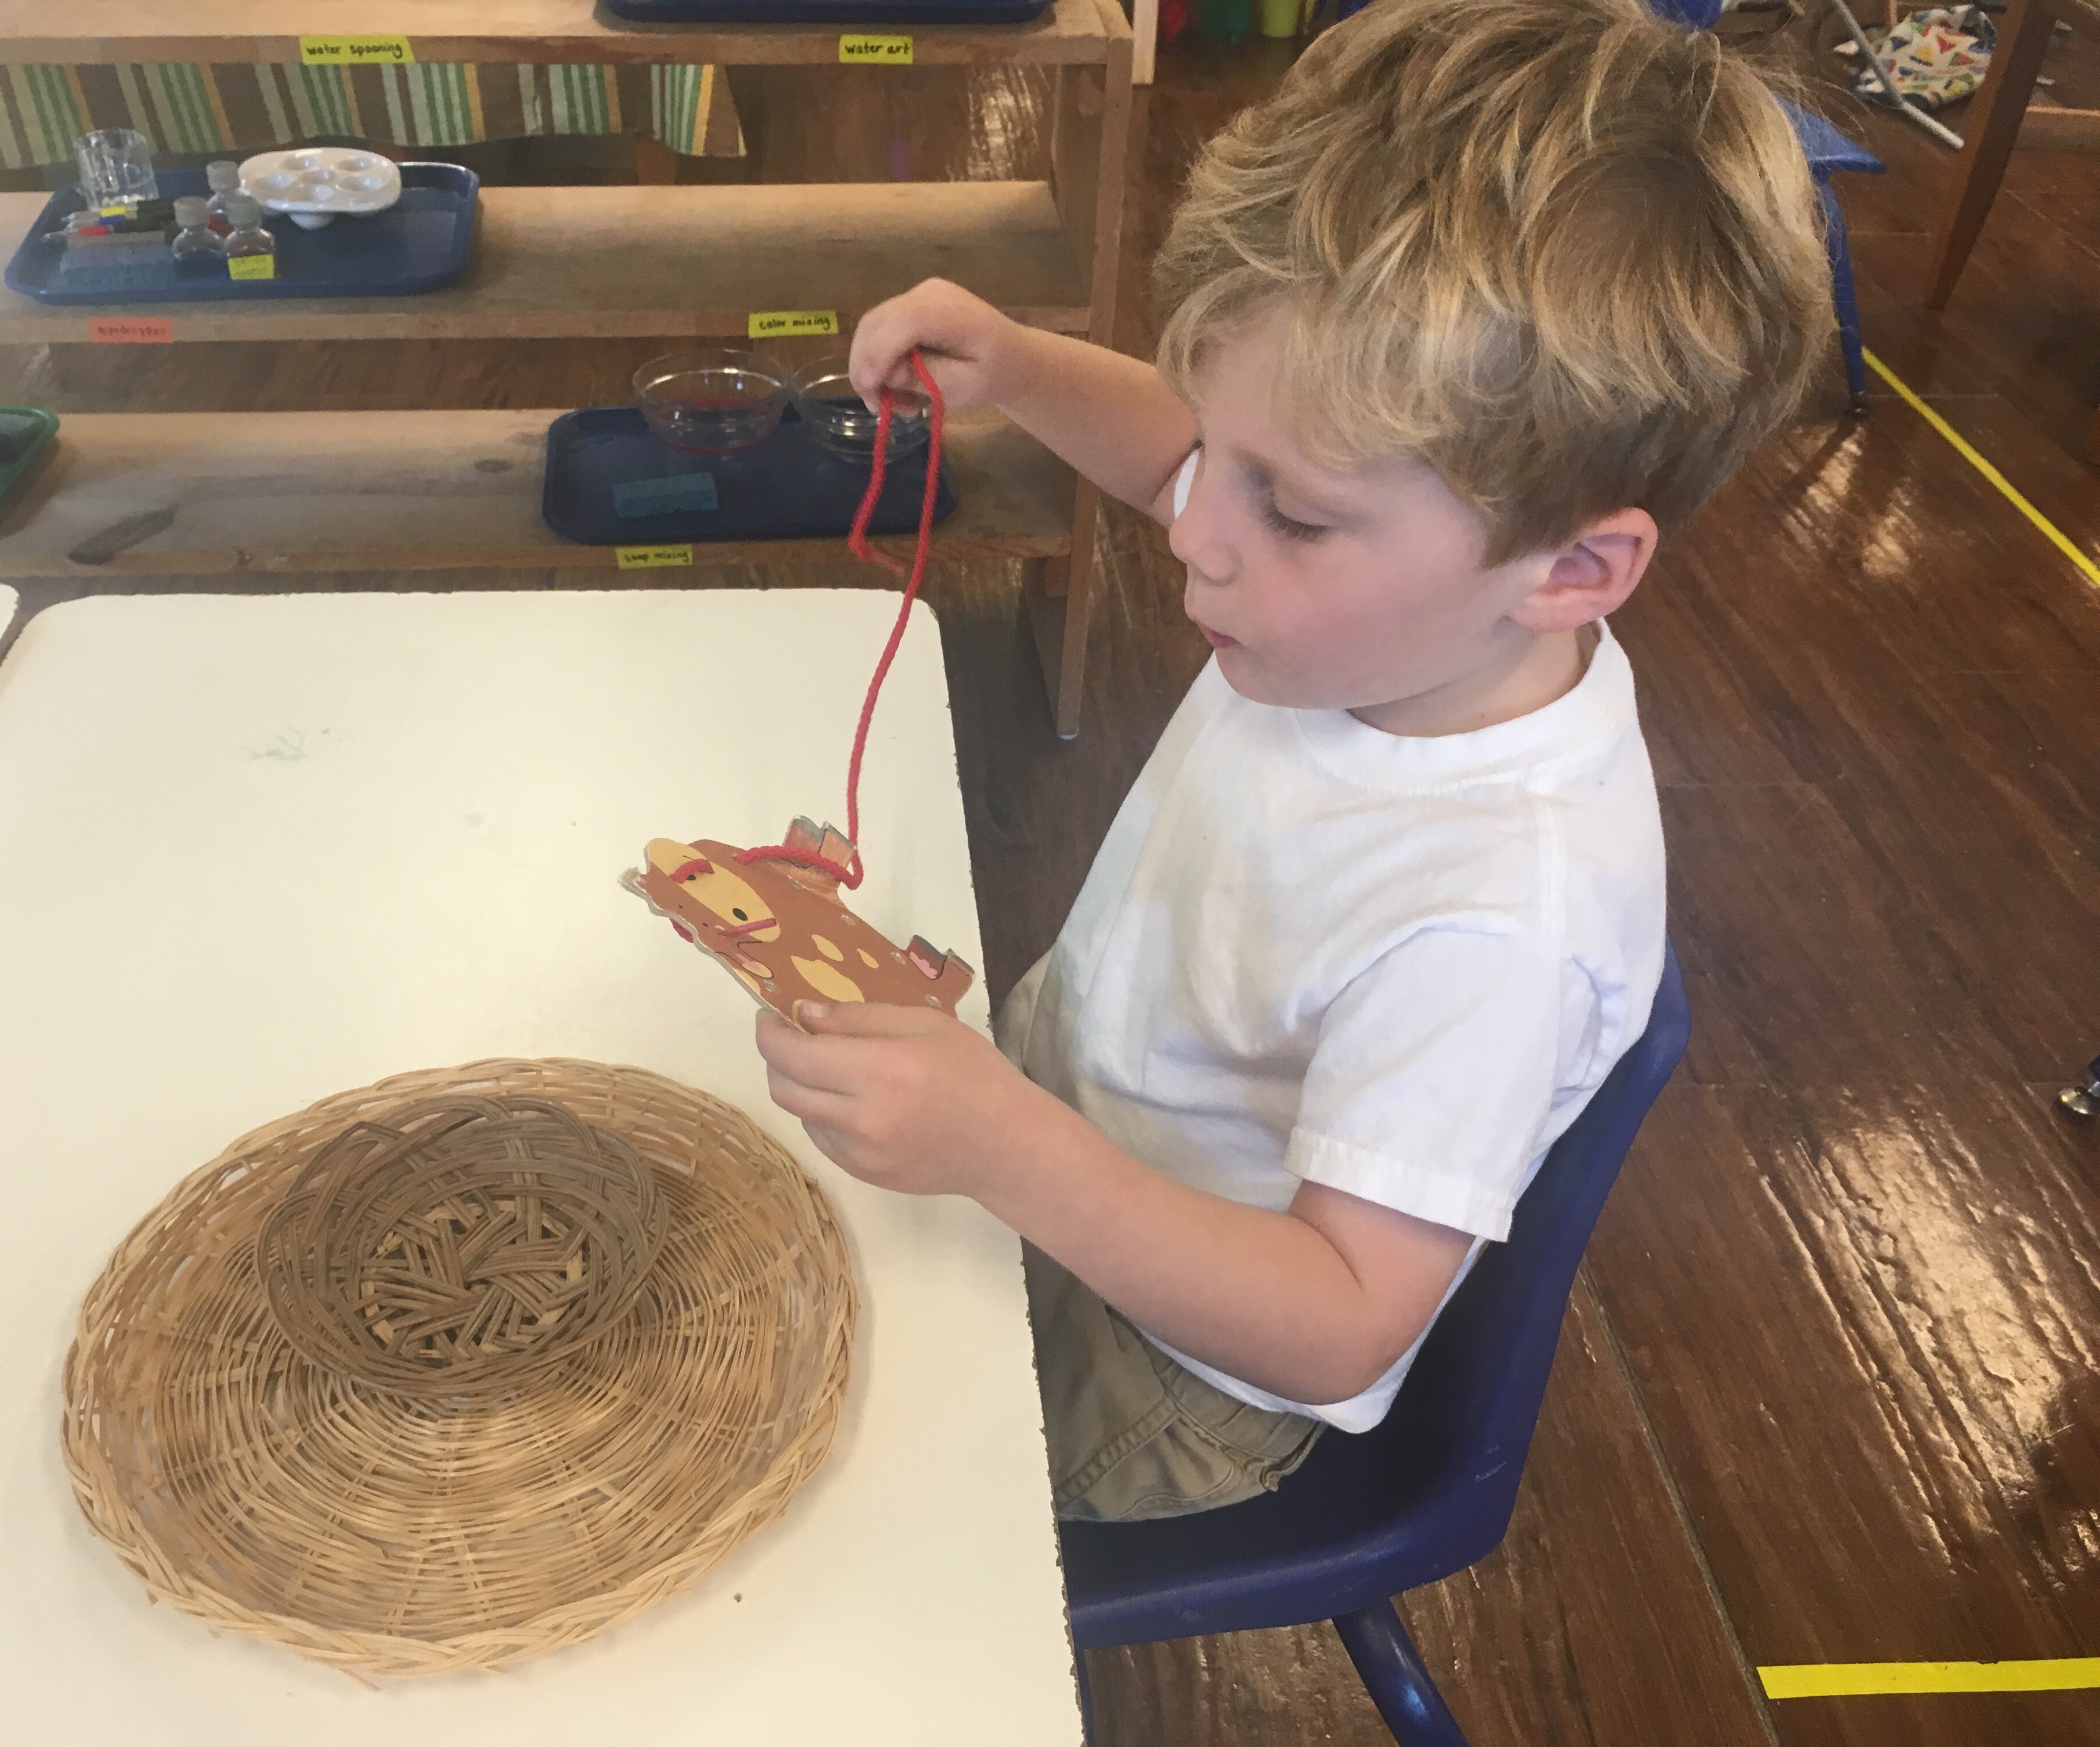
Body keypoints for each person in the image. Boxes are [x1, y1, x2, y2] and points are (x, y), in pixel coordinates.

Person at [754, 0, 1833, 1522]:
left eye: (1294, 510)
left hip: (1167, 1370)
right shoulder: (1385, 615)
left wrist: (1007, 1151)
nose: (1195, 529)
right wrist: (1022, 365)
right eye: (1220, 451)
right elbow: (1185, 460)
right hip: (1064, 1127)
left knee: (797, 1495)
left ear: (1574, 572)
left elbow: (1339, 1323)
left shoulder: (1497, 923)